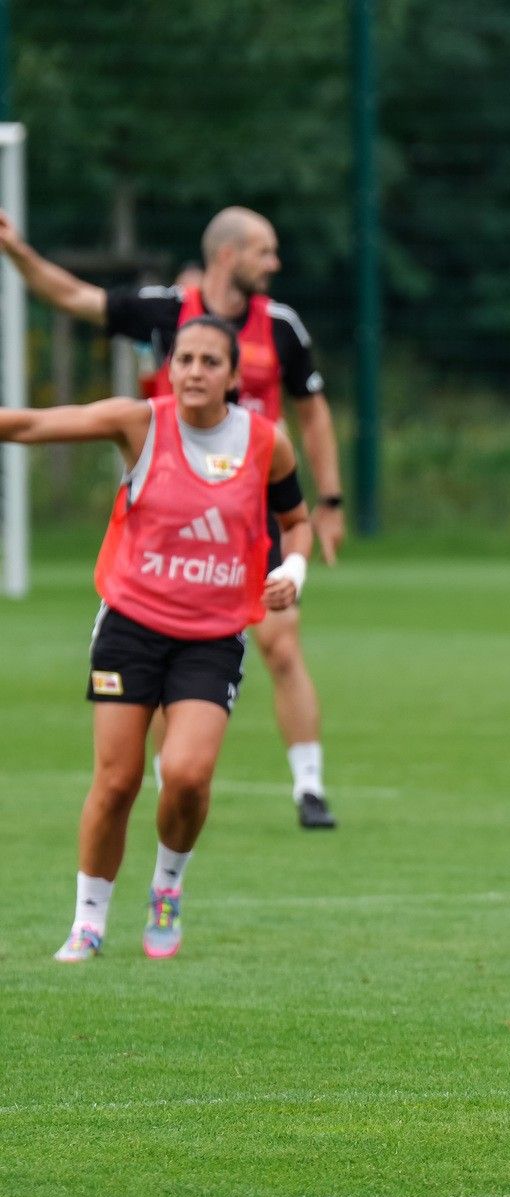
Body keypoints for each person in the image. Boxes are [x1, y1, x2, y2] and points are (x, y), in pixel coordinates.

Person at [0, 206, 347, 828]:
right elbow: (76, 298)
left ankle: (309, 784)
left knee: (283, 643)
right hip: (173, 513)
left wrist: (328, 501)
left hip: (253, 513)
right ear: (227, 255)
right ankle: (176, 776)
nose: (275, 264)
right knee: (166, 640)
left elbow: (313, 413)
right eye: (264, 251)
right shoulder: (166, 311)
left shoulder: (283, 327)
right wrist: (17, 252)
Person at [0, 317, 312, 961]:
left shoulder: (265, 443)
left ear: (233, 376)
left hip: (213, 634)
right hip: (131, 627)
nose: (195, 371)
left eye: (209, 361)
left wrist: (293, 569)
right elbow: (28, 426)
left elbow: (297, 522)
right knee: (117, 782)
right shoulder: (140, 423)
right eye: (185, 359)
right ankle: (88, 920)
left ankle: (167, 888)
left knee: (189, 776)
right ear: (169, 368)